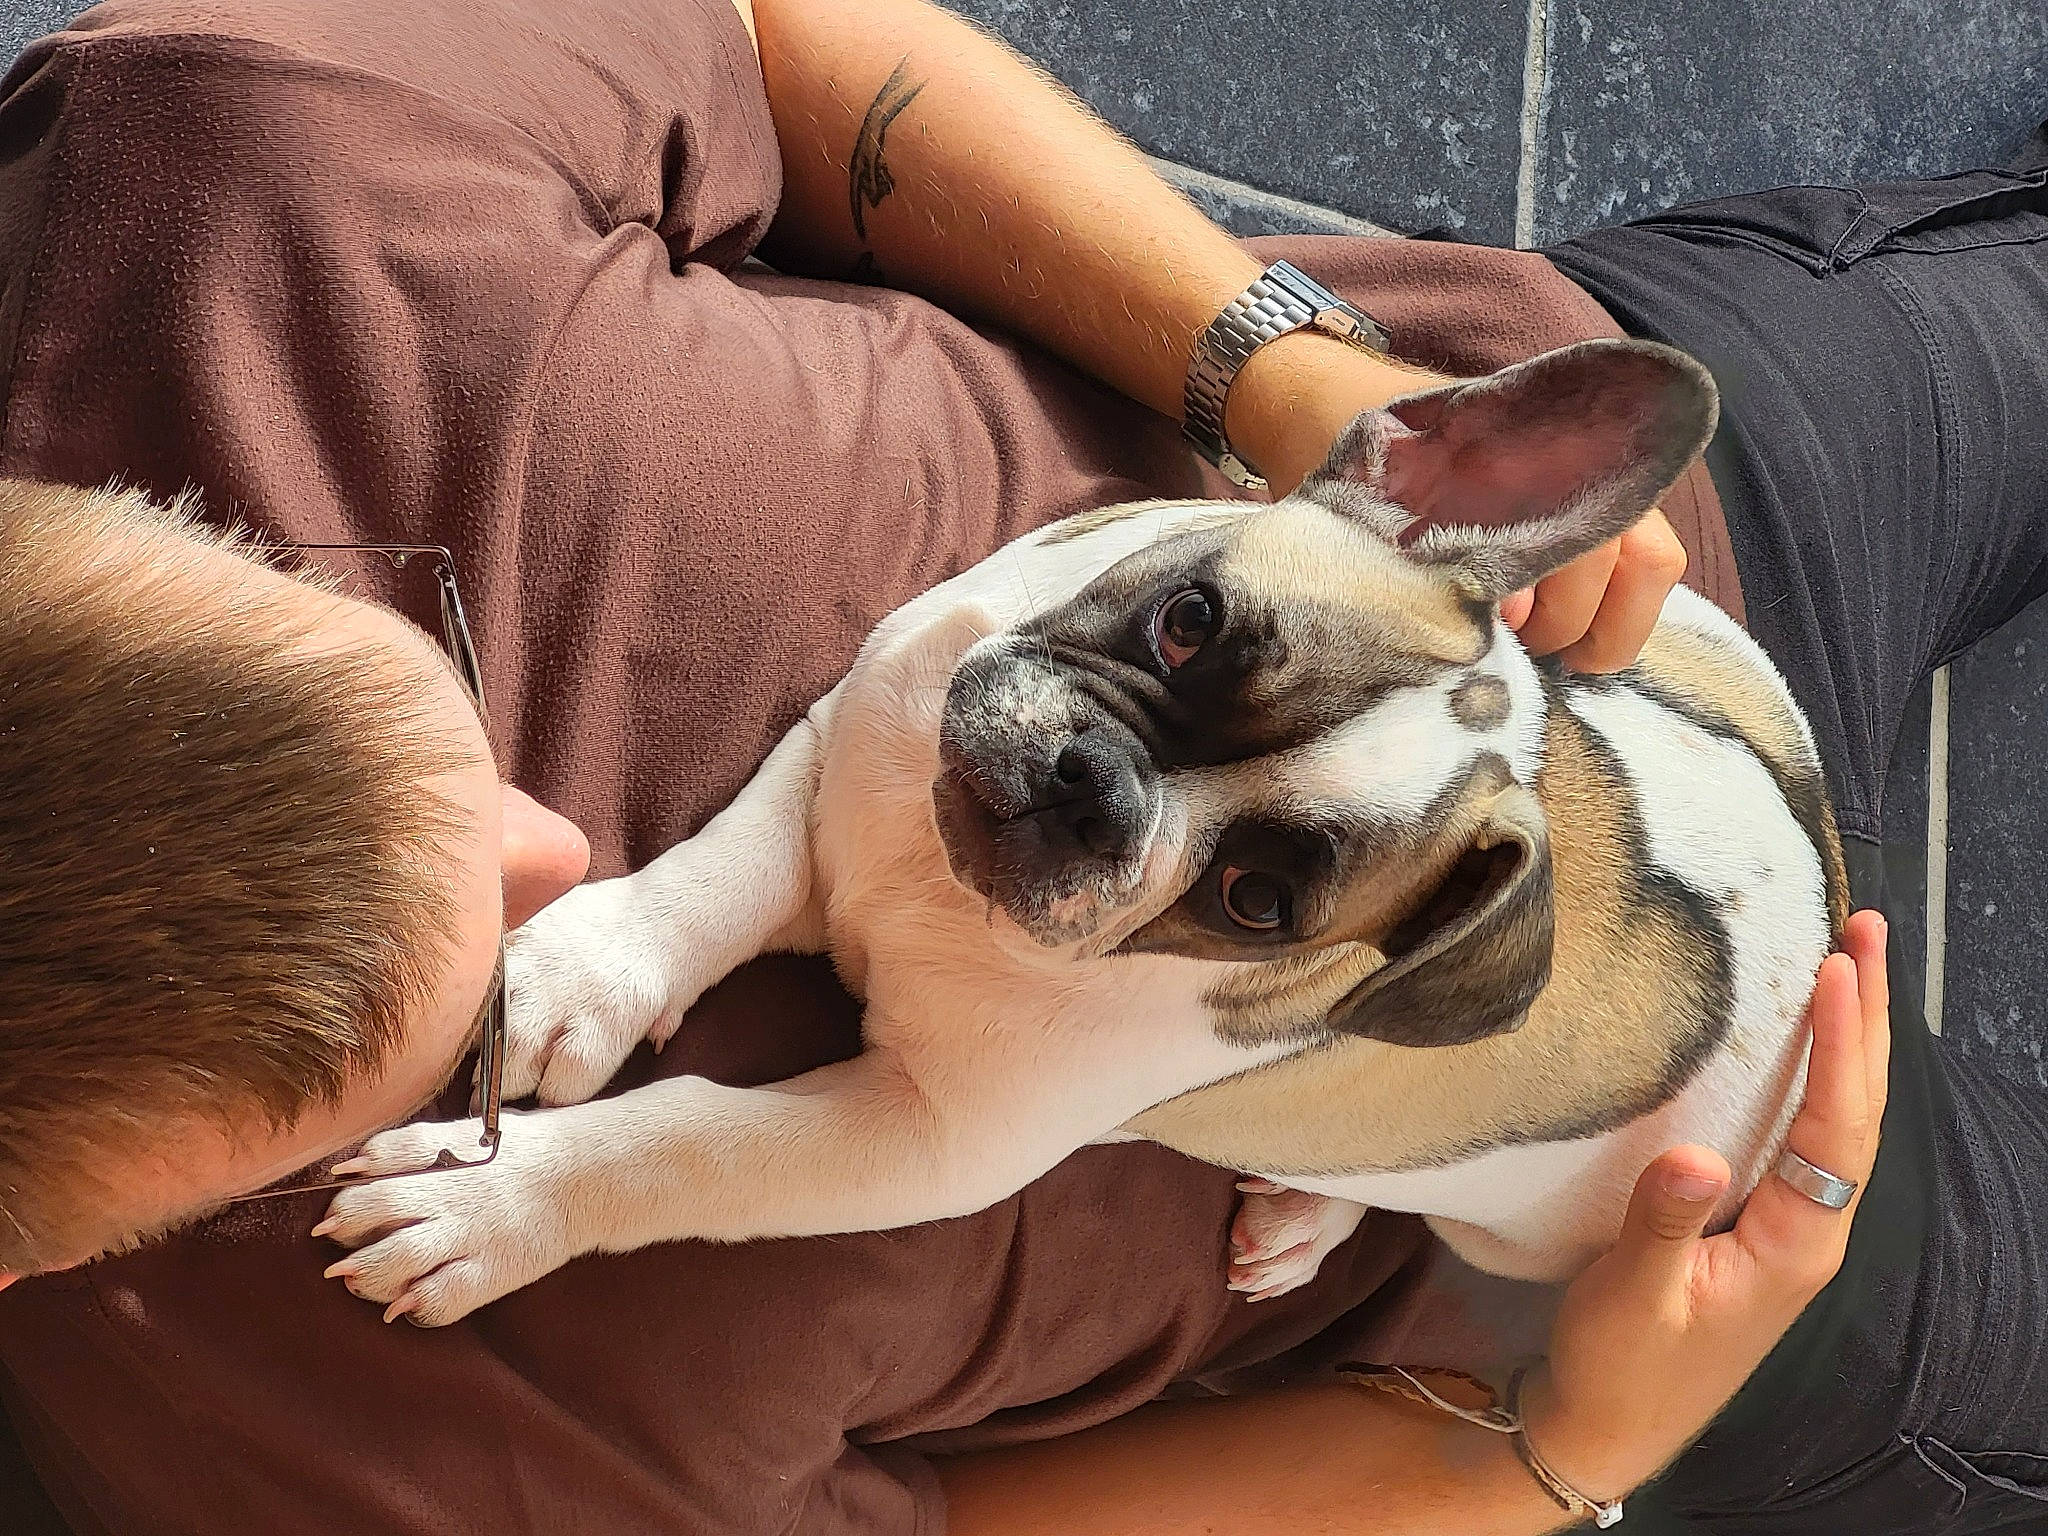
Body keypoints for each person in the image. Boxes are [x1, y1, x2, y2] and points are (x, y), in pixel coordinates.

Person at [0, 0, 2034, 1533]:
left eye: (412, 668)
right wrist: (1564, 1448)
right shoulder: (290, 1468)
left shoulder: (216, 159)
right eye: (431, 1033)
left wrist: (1300, 378)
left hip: (1604, 526)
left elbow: (774, 37)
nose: (564, 846)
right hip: (1658, 1216)